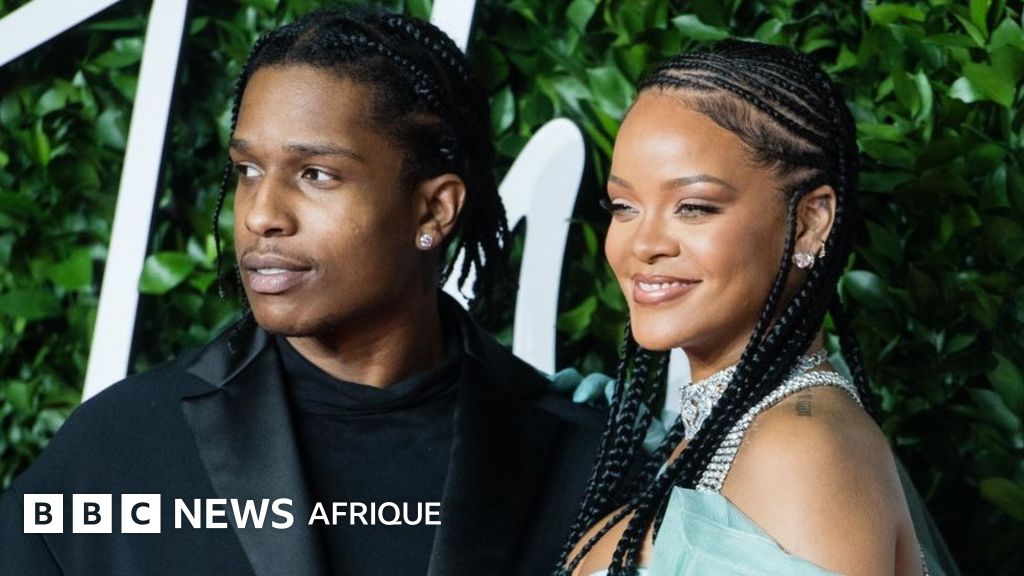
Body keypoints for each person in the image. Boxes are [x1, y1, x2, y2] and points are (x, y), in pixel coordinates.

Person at [0, 8, 603, 576]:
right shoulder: (122, 444)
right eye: (247, 171)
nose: (260, 214)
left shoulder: (580, 458)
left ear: (433, 210)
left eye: (316, 174)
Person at [556, 41, 954, 575]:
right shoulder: (735, 432)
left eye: (693, 207)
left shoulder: (801, 451)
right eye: (624, 206)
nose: (643, 244)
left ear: (811, 222)